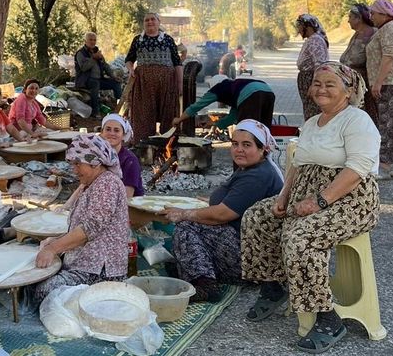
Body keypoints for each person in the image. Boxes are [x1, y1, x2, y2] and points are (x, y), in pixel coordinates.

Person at [241, 62, 379, 354]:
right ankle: (274, 284)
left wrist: (319, 201)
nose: (321, 89)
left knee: (301, 237)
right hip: (306, 195)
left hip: (350, 201)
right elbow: (298, 165)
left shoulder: (357, 120)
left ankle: (328, 318)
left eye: (330, 84)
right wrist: (283, 196)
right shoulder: (313, 122)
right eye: (317, 83)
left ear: (348, 89)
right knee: (257, 217)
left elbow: (357, 169)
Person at [159, 119, 283, 302]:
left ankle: (205, 285)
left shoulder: (258, 176)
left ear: (262, 149)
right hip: (247, 246)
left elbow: (222, 215)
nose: (238, 149)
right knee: (190, 230)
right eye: (235, 144)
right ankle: (192, 270)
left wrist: (183, 213)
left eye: (246, 145)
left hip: (254, 259)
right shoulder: (250, 167)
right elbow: (231, 201)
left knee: (186, 227)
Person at [33, 135, 129, 304]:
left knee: (44, 291)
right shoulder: (93, 182)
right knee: (34, 277)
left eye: (78, 164)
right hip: (84, 262)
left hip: (100, 271)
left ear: (96, 162)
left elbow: (89, 229)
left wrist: (53, 248)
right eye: (73, 164)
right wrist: (56, 241)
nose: (74, 170)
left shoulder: (107, 184)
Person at [125, 12, 183, 144]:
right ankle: (143, 144)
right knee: (143, 113)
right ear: (143, 23)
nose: (150, 22)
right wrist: (131, 69)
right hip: (143, 83)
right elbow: (129, 60)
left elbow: (177, 63)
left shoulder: (168, 39)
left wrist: (179, 84)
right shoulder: (137, 40)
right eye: (147, 20)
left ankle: (168, 143)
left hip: (167, 82)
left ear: (159, 22)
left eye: (153, 19)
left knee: (168, 112)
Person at [366, 0, 393, 179]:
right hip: (387, 82)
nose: (371, 16)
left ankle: (385, 166)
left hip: (390, 83)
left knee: (389, 125)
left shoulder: (391, 27)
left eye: (373, 13)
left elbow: (389, 55)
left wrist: (378, 82)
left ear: (384, 14)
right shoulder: (385, 29)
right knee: (391, 124)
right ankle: (391, 164)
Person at [172, 75, 275, 130]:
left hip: (252, 95)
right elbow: (232, 117)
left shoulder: (218, 89)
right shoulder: (235, 89)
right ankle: (265, 157)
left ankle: (245, 166)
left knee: (247, 130)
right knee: (264, 128)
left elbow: (197, 106)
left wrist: (179, 119)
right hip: (269, 92)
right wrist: (213, 123)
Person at [340, 4, 377, 126]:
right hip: (351, 84)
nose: (348, 20)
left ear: (359, 18)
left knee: (366, 118)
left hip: (364, 86)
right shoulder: (357, 34)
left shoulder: (372, 34)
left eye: (350, 17)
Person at [75, 32, 123, 118]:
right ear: (85, 41)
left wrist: (113, 76)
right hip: (85, 81)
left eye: (94, 40)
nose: (93, 42)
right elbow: (83, 68)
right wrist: (93, 58)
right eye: (90, 40)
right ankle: (95, 112)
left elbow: (105, 66)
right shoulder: (80, 53)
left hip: (99, 79)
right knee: (95, 83)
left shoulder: (97, 52)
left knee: (116, 83)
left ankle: (120, 108)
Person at [295, 14, 329, 120]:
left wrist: (314, 84)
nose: (298, 29)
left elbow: (320, 65)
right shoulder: (311, 39)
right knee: (309, 110)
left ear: (308, 27)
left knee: (313, 112)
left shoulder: (316, 41)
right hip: (307, 79)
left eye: (299, 26)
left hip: (311, 79)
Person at [101, 114, 143, 197]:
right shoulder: (99, 155)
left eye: (116, 130)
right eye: (108, 129)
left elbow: (127, 196)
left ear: (123, 135)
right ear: (102, 132)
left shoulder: (130, 160)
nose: (112, 133)